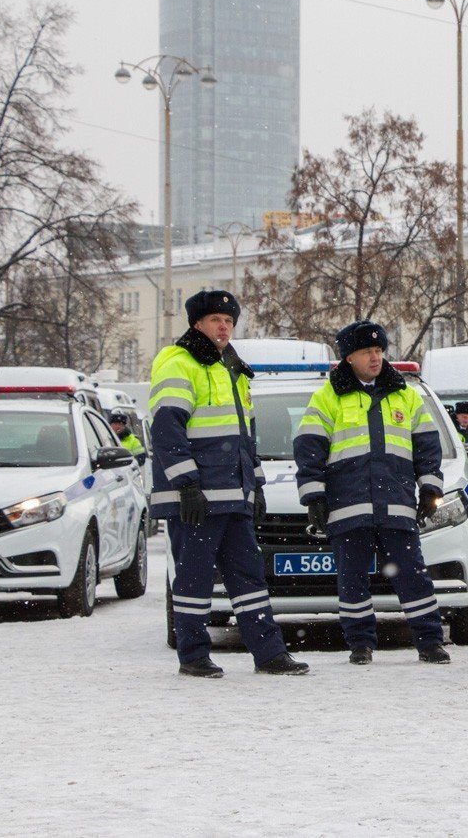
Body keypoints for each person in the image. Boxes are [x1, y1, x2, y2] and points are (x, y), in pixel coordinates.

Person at [149, 290, 308, 677]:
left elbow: (243, 437)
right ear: (197, 323)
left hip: (232, 494)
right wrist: (186, 483)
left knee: (248, 577)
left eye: (229, 320)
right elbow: (167, 428)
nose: (224, 326)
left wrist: (256, 485)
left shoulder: (230, 367)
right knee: (194, 579)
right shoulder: (178, 362)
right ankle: (193, 655)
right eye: (216, 319)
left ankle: (269, 654)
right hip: (197, 498)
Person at [293, 321, 449, 665]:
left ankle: (430, 642)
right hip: (349, 506)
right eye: (367, 352)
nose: (376, 357)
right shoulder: (328, 396)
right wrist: (314, 497)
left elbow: (427, 445)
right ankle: (360, 643)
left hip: (396, 503)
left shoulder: (406, 394)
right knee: (352, 579)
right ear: (349, 357)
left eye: (379, 351)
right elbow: (309, 448)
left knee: (412, 575)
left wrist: (430, 487)